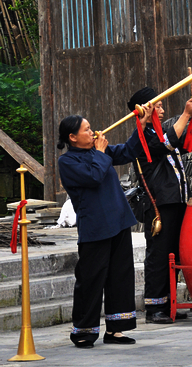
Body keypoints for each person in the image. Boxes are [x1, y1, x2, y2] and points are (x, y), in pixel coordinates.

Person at [57, 106, 153, 348]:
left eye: (90, 128)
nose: (92, 132)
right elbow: (93, 177)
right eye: (87, 130)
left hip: (119, 222)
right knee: (90, 279)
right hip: (95, 227)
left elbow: (129, 151)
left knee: (120, 277)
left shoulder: (100, 151)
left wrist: (142, 124)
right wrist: (100, 152)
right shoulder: (67, 161)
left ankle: (116, 329)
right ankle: (84, 331)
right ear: (72, 137)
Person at [127, 87, 192, 324]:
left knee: (173, 254)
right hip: (159, 205)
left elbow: (185, 145)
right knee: (159, 255)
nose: (163, 110)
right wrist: (186, 114)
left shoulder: (160, 132)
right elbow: (167, 143)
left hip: (175, 201)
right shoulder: (143, 135)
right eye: (159, 106)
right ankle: (155, 306)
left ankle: (169, 303)